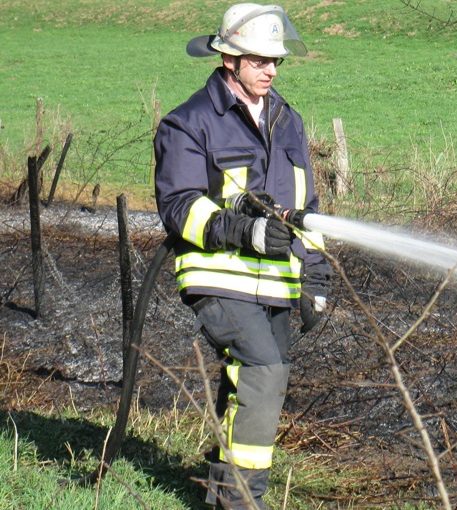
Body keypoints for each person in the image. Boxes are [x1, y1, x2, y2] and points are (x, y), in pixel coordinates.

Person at [153, 4, 330, 508]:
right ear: (228, 59)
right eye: (258, 60)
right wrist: (245, 230)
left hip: (275, 282)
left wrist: (315, 277)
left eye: (275, 60)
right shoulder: (189, 124)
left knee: (249, 384)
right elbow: (178, 206)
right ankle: (241, 501)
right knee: (265, 373)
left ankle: (219, 492)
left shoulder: (287, 121)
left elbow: (306, 210)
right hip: (217, 276)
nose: (270, 70)